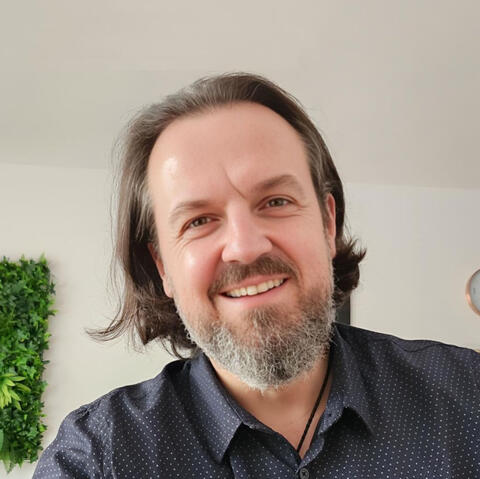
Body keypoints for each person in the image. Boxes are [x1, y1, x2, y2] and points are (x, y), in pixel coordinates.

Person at [34, 73, 480, 478]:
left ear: (328, 224)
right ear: (163, 266)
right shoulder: (98, 459)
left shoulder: (468, 397)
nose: (246, 246)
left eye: (276, 202)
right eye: (198, 221)